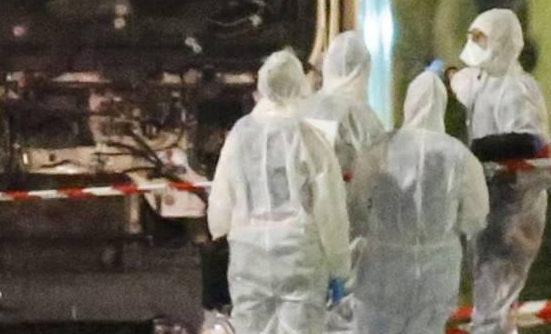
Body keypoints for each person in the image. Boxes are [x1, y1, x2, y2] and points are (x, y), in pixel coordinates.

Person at [208, 50, 350, 334]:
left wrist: (219, 226)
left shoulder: (241, 133)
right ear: (299, 84)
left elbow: (223, 192)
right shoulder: (308, 136)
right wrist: (339, 264)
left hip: (249, 254)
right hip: (298, 255)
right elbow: (329, 204)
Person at [352, 71, 489, 334]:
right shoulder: (459, 155)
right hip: (437, 271)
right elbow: (475, 217)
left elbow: (357, 203)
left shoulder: (381, 147)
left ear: (409, 103)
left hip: (383, 267)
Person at [450, 9, 549, 334]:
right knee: (490, 296)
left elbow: (529, 141)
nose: (474, 44)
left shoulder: (516, 89)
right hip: (490, 203)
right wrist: (444, 72)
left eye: (481, 38)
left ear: (502, 41)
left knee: (495, 300)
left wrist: (478, 151)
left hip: (514, 207)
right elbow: (461, 82)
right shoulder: (483, 80)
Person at [300, 31, 385, 331]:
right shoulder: (359, 114)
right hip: (347, 229)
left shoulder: (304, 108)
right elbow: (378, 174)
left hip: (301, 232)